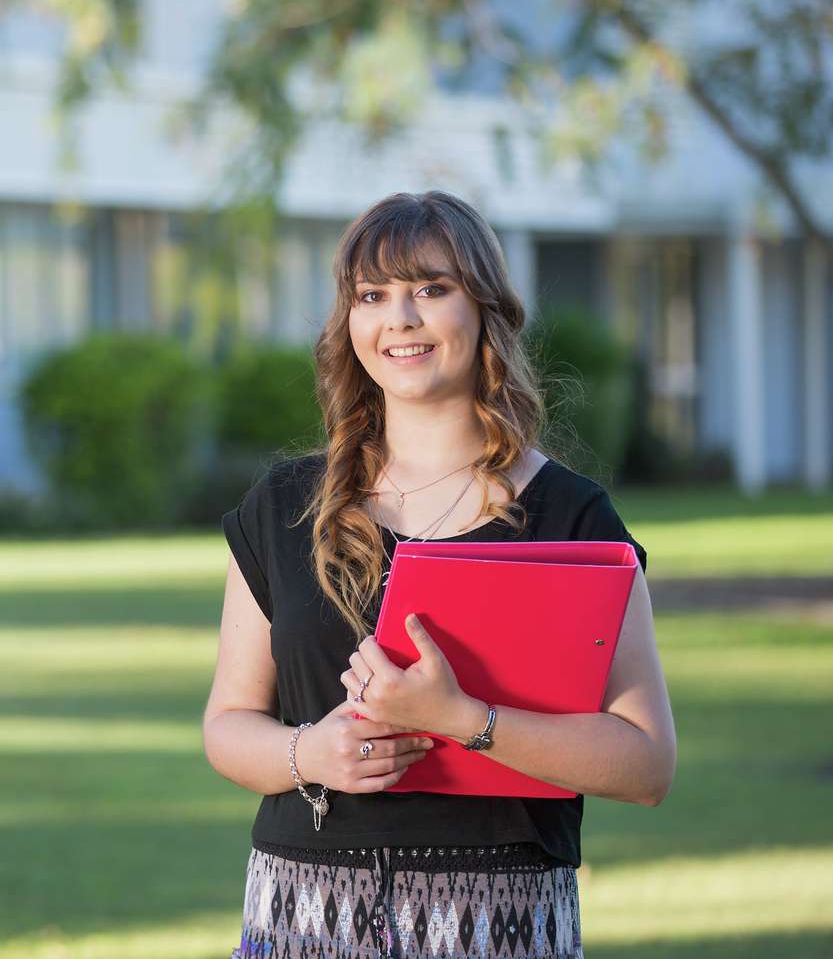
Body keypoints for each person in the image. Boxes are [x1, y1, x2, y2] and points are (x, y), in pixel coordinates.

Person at [205, 191, 677, 959]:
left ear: (485, 308)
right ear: (348, 321)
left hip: (499, 924)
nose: (401, 319)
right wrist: (309, 755)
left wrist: (464, 720)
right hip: (302, 919)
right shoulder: (282, 506)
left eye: (431, 288)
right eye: (372, 296)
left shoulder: (573, 515)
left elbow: (646, 764)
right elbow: (228, 724)